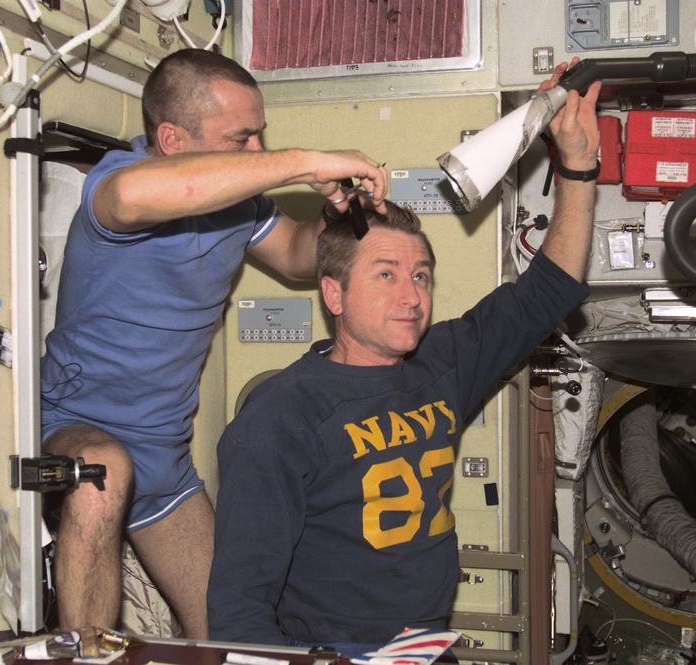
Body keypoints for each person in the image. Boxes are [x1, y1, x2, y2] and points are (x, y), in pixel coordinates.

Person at [207, 63, 602, 654]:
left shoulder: (442, 363)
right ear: (334, 294)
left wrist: (577, 164)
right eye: (385, 275)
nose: (412, 296)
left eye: (420, 275)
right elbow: (240, 613)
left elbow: (549, 291)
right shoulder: (281, 417)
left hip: (427, 650)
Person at [39, 47, 389, 640]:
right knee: (102, 472)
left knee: (231, 632)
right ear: (171, 139)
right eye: (240, 138)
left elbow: (296, 256)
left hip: (163, 456)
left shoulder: (240, 205)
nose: (257, 151)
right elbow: (134, 199)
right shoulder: (116, 184)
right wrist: (303, 162)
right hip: (75, 428)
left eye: (261, 135)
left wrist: (335, 214)